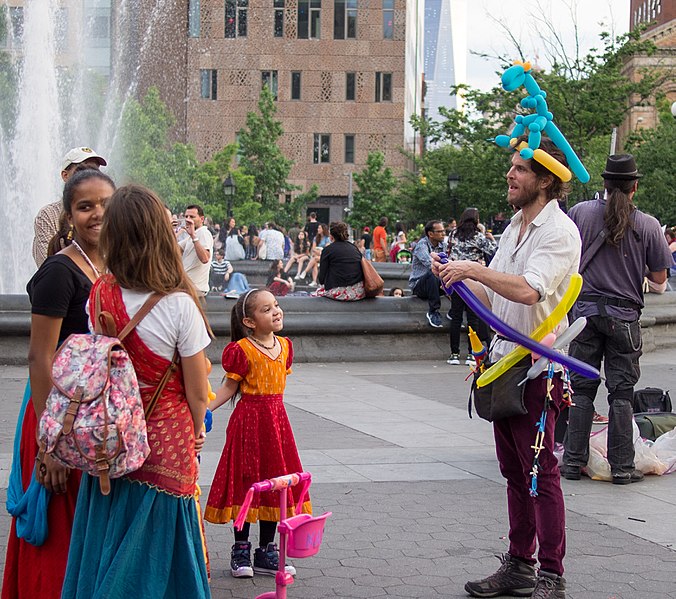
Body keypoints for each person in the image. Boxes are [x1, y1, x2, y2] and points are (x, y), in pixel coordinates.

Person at [434, 136, 581, 598]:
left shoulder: (559, 232)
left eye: (519, 168)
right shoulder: (516, 225)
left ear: (544, 180)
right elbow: (495, 297)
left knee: (540, 475)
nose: (509, 175)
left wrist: (473, 269)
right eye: (512, 166)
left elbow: (529, 291)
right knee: (515, 474)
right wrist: (455, 279)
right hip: (503, 365)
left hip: (538, 369)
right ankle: (520, 566)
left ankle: (552, 576)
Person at [61, 185, 212, 598]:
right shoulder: (179, 304)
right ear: (160, 235)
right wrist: (198, 429)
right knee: (161, 556)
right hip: (165, 443)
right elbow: (198, 392)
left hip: (111, 439)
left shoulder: (100, 293)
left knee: (107, 538)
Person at [4, 169, 114, 599]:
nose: (96, 214)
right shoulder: (59, 271)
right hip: (56, 411)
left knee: (86, 522)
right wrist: (50, 444)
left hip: (94, 413)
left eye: (104, 203)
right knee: (57, 525)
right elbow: (39, 356)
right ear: (69, 214)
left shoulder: (115, 264)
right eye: (85, 206)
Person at [561, 154, 673, 486]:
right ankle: (622, 467)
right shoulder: (649, 225)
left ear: (605, 184)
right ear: (635, 187)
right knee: (621, 394)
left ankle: (572, 462)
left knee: (581, 391)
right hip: (624, 318)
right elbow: (660, 280)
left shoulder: (581, 213)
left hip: (585, 315)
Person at [204, 289, 312, 578]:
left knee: (275, 482)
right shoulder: (241, 350)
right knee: (246, 481)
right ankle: (240, 549)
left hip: (277, 425)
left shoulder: (285, 347)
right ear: (249, 322)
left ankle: (266, 549)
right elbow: (229, 388)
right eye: (266, 309)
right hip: (248, 424)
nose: (276, 311)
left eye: (276, 305)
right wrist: (206, 410)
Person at [32, 146, 107, 267]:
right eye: (81, 171)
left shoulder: (106, 213)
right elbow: (47, 266)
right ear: (65, 175)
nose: (89, 177)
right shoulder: (48, 215)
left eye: (95, 171)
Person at [447, 207, 497, 365]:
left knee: (455, 317)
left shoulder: (453, 234)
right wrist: (490, 238)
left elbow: (447, 252)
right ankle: (471, 353)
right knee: (472, 318)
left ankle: (454, 354)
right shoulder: (478, 236)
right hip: (472, 279)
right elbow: (493, 251)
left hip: (455, 279)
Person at [409, 220, 446, 328]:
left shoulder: (442, 245)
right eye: (440, 231)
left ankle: (455, 312)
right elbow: (431, 264)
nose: (443, 234)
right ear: (430, 234)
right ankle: (433, 311)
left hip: (436, 284)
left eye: (444, 231)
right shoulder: (421, 246)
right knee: (432, 272)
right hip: (420, 286)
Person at [315, 221, 365, 301]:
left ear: (331, 236)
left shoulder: (328, 250)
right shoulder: (354, 248)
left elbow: (321, 278)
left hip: (339, 291)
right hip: (358, 291)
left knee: (316, 294)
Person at [178, 204, 214, 296]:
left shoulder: (203, 233)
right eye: (186, 216)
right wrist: (174, 231)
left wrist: (194, 236)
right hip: (186, 289)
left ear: (201, 219)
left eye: (192, 217)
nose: (188, 219)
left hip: (195, 290)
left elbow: (205, 258)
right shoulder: (192, 236)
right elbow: (172, 250)